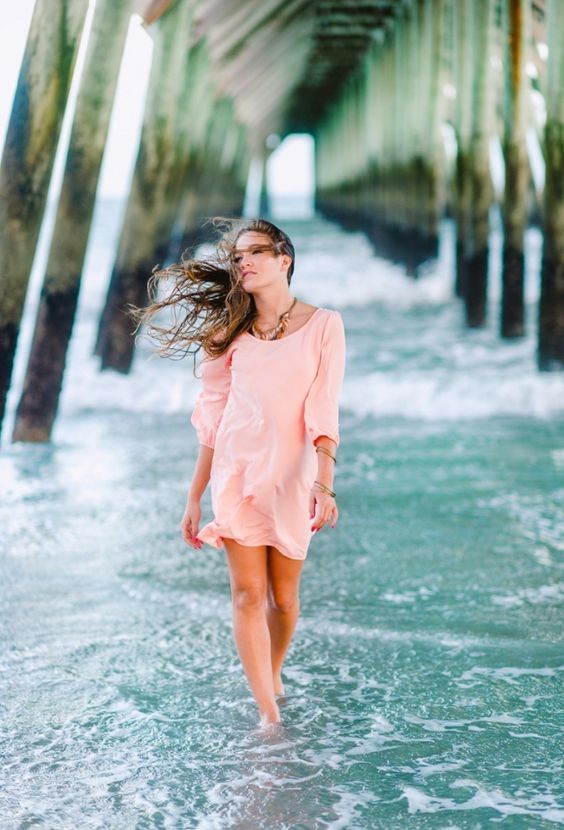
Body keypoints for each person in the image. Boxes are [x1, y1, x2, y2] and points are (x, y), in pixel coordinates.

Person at [129, 218, 346, 728]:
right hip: (237, 472)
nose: (243, 262)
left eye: (254, 253)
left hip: (293, 475)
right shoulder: (229, 333)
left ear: (283, 261)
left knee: (285, 598)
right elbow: (213, 418)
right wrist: (193, 495)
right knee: (248, 594)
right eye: (237, 256)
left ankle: (273, 673)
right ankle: (268, 715)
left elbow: (324, 410)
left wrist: (324, 482)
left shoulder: (324, 325)